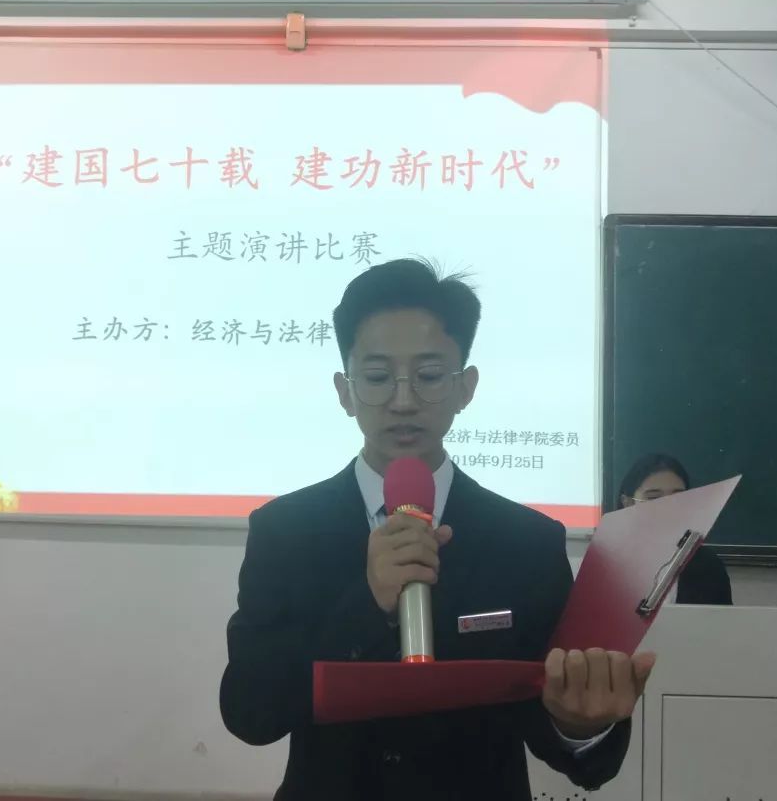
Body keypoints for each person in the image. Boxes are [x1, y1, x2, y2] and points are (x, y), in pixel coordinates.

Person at [220, 258, 654, 801]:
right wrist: (367, 606)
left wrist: (579, 723)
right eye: (377, 377)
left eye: (428, 376)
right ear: (344, 391)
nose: (403, 401)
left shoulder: (526, 541)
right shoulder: (285, 530)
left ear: (465, 388)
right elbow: (250, 712)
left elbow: (559, 734)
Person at [617, 453, 733, 606]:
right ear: (628, 503)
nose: (669, 507)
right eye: (654, 498)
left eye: (679, 497)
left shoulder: (708, 565)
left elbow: (721, 620)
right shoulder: (608, 561)